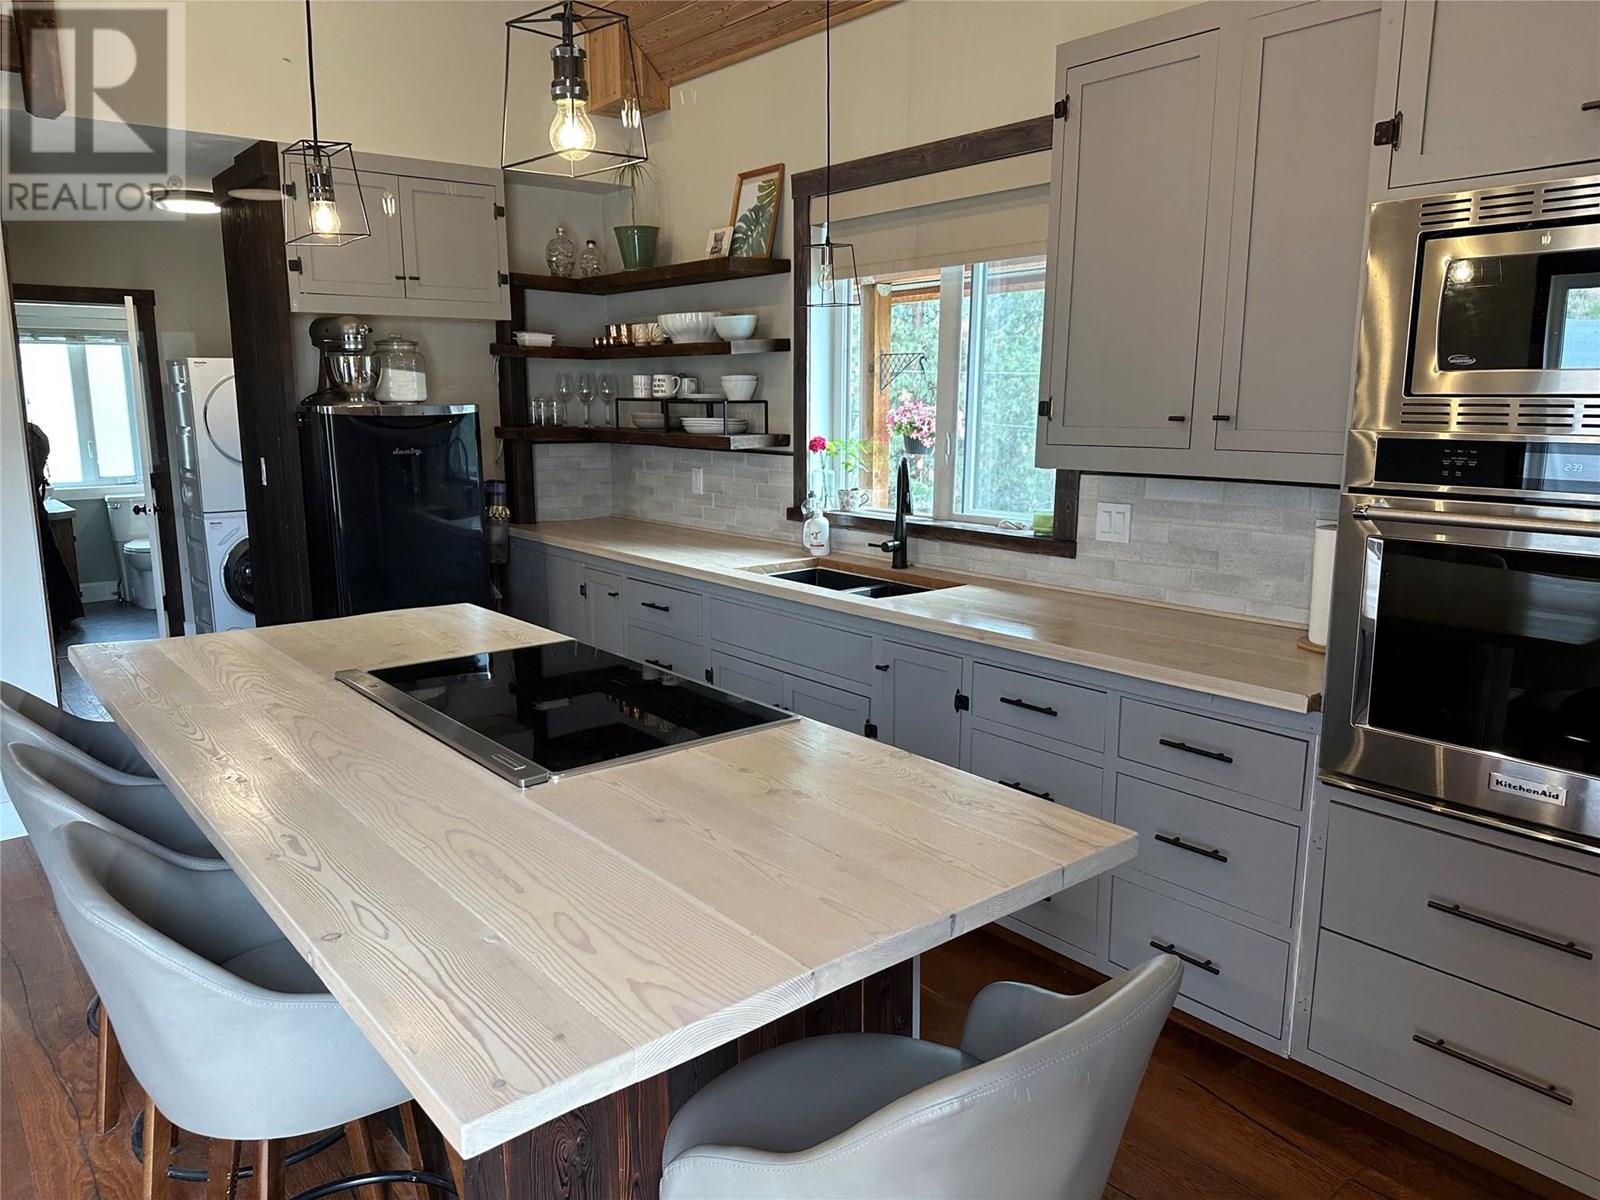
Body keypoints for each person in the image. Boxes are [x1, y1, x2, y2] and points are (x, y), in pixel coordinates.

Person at [26, 421, 85, 636]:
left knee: (50, 564)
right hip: (36, 510)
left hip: (34, 509)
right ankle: (61, 616)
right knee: (51, 562)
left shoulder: (30, 436)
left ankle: (57, 618)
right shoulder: (32, 436)